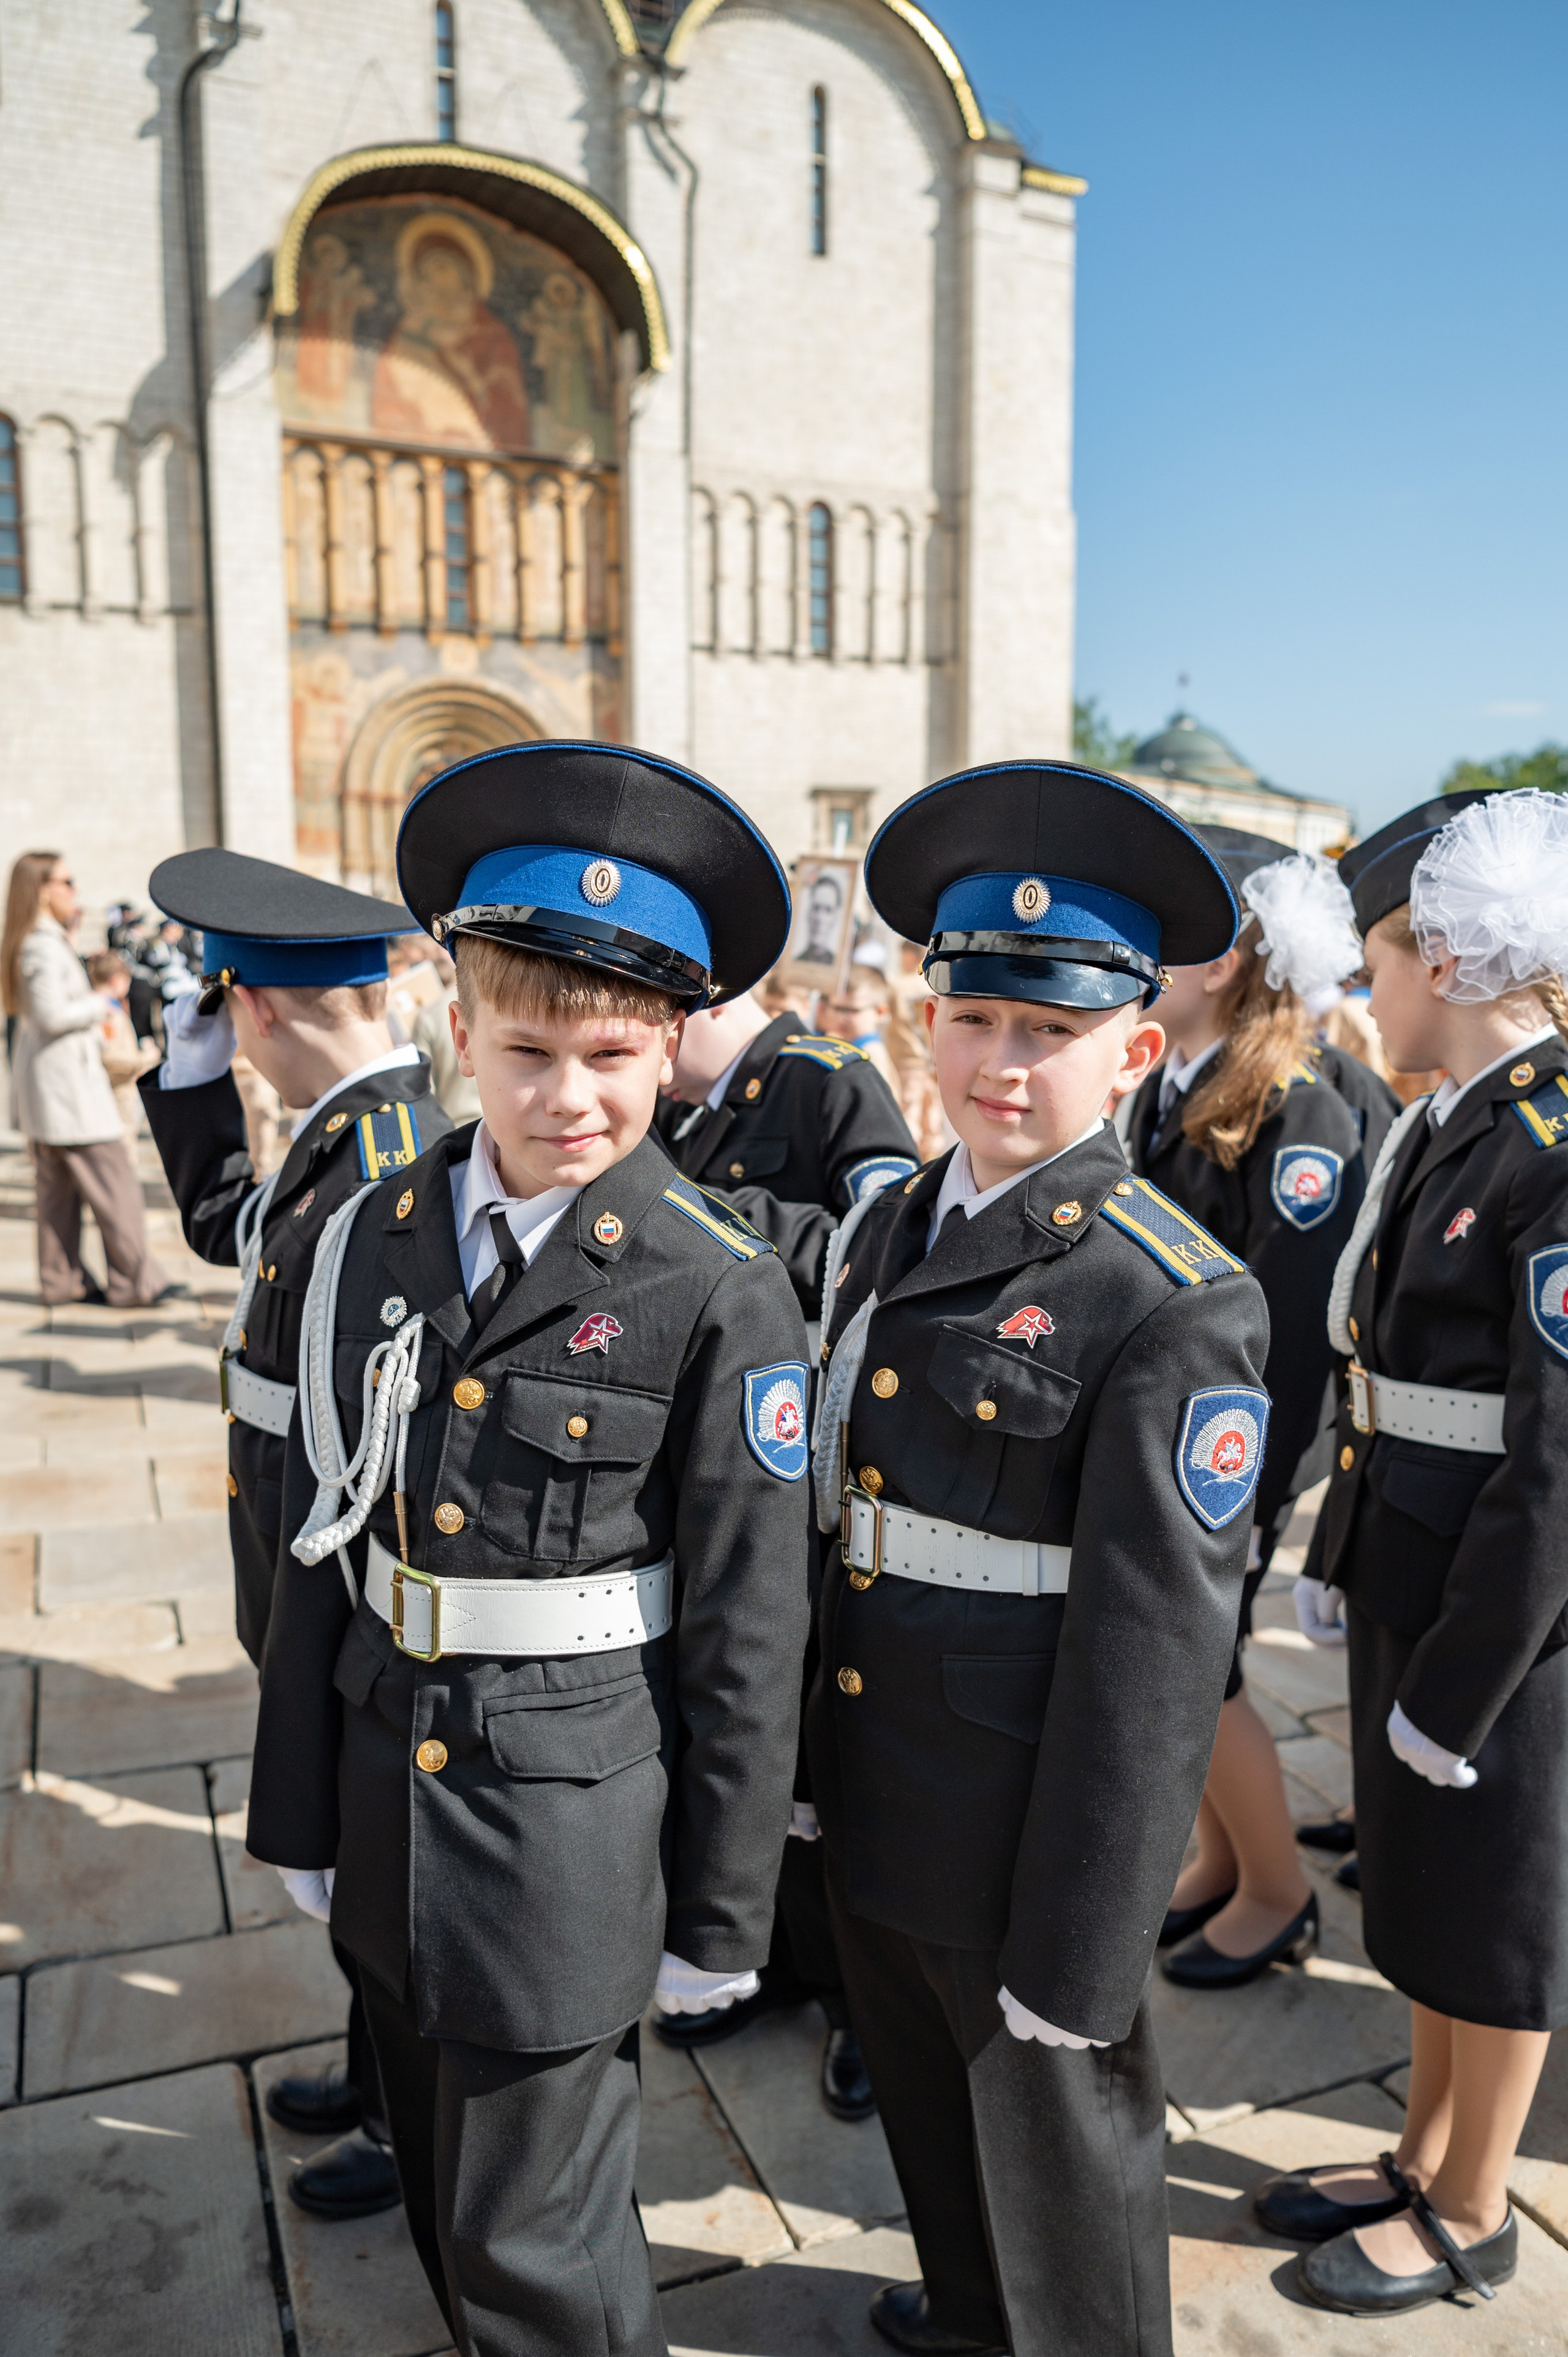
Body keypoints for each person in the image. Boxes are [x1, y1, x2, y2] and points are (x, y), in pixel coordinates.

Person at [246, 744, 812, 2355]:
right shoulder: (375, 1236)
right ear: (459, 1028)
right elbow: (320, 1533)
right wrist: (300, 1797)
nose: (570, 1099)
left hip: (561, 1831)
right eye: (528, 1051)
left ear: (674, 1044)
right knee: (440, 2185)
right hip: (383, 1781)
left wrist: (723, 1912)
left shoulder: (716, 1286)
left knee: (536, 2253)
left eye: (617, 1056)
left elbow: (747, 1632)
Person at [806, 761, 1270, 2357]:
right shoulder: (888, 1228)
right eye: (975, 1018)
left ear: (1135, 1050)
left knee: (1067, 2180)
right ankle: (967, 2316)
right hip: (880, 1782)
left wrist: (1086, 1947)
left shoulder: (1167, 1296)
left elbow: (1154, 1665)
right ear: (922, 1022)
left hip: (1024, 1827)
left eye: (1051, 1032)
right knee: (932, 2127)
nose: (1002, 1065)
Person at [1258, 788, 1568, 2317]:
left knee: (1498, 1912)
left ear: (1443, 956)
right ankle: (1419, 2144)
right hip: (1416, 1564)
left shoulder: (1555, 1140)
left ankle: (1471, 2200)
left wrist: (1463, 1676)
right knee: (1430, 1901)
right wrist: (1348, 1543)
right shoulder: (1458, 1118)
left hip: (1506, 1615)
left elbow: (1557, 1461)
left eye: (1374, 958)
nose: (1354, 992)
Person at [137, 847, 456, 2227]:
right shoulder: (344, 1137)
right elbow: (232, 1228)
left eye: (226, 1026)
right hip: (296, 1573)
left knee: (379, 1870)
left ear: (255, 1008)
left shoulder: (384, 1161)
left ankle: (405, 2116)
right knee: (349, 1863)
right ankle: (367, 2063)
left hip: (347, 1600)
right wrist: (193, 1084)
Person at [1126, 828, 1397, 1988]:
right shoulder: (1175, 1086)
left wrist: (1234, 1499)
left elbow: (1284, 1343)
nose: (1136, 957)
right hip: (1171, 1437)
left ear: (1225, 962)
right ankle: (1230, 1857)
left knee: (1208, 1664)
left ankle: (1278, 1892)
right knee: (1185, 1663)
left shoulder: (1296, 1107)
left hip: (1229, 1454)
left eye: (1163, 938)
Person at [654, 974, 918, 2121]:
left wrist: (714, 1227)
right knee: (753, 1750)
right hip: (720, 1468)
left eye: (663, 1019)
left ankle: (867, 2012)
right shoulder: (685, 1111)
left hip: (811, 1469)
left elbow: (887, 1242)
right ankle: (781, 1959)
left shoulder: (826, 1078)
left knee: (826, 1755)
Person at [659, 986, 918, 1318]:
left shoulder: (832, 1079)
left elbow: (884, 1248)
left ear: (716, 1005)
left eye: (666, 1030)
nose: (658, 1062)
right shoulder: (684, 1104)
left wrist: (700, 1211)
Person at [2, 850, 177, 1308]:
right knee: (114, 1181)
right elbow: (51, 1014)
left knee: (57, 1195)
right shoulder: (39, 944)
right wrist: (99, 1001)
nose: (75, 891)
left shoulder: (43, 939)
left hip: (56, 1090)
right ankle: (134, 1282)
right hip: (68, 1091)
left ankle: (63, 1282)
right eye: (66, 882)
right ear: (42, 890)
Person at [85, 950, 159, 1149]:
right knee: (124, 1148)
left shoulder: (101, 1006)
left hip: (117, 1090)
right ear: (117, 980)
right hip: (118, 1092)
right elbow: (110, 1057)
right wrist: (145, 1058)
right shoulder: (107, 1012)